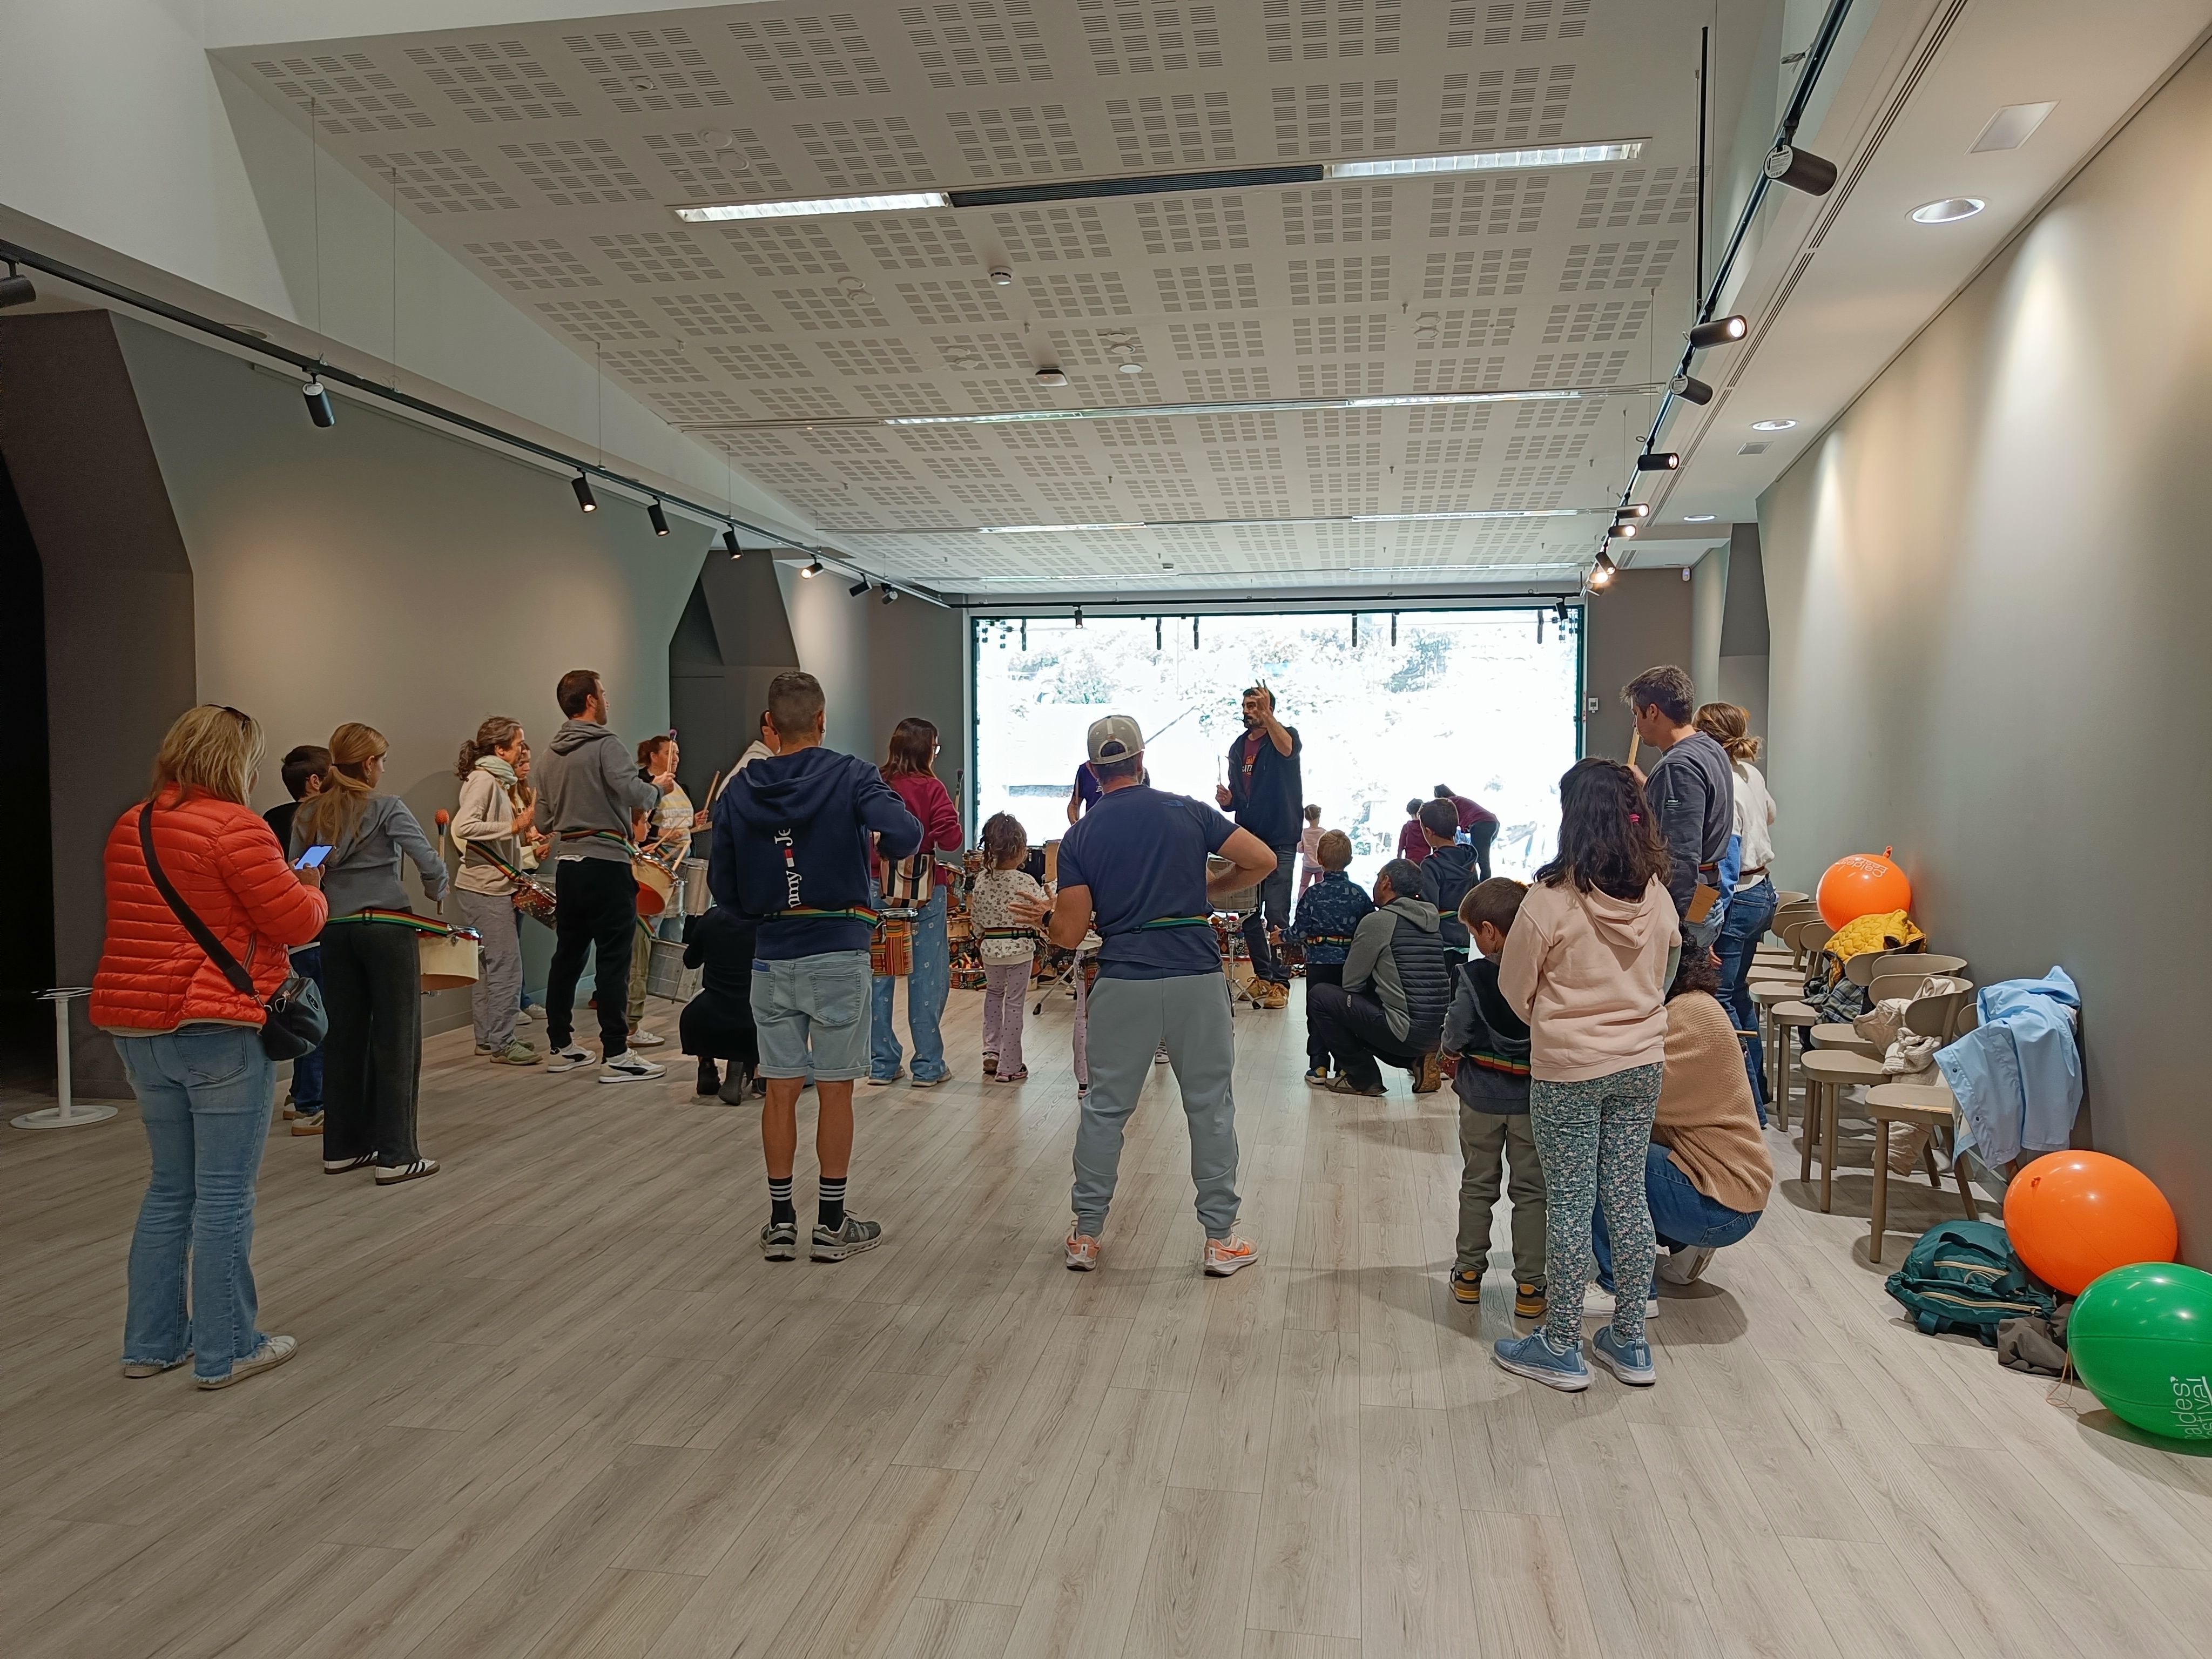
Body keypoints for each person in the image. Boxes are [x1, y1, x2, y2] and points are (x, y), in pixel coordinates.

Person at [94, 705, 328, 1389]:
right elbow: (293, 923)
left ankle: (151, 1343)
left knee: (170, 1188)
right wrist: (311, 886)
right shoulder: (238, 827)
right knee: (226, 1194)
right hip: (217, 1026)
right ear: (236, 761)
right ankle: (231, 1349)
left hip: (138, 1026)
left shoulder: (130, 823)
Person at [1017, 714, 1273, 1276]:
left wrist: (1043, 916)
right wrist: (1207, 886)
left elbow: (1068, 933)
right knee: (1208, 1108)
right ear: (1141, 761)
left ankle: (1085, 1236)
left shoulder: (1081, 835)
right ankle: (1220, 1240)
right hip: (1195, 977)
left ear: (1092, 771)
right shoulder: (1187, 811)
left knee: (1105, 1110)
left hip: (1123, 978)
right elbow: (1262, 860)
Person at [714, 670, 922, 1262]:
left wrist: (760, 913)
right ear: (822, 720)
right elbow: (906, 832)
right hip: (837, 948)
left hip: (773, 953)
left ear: (770, 725)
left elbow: (725, 886)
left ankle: (781, 1221)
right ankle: (832, 1224)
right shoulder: (851, 775)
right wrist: (880, 847)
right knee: (835, 1091)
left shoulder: (739, 789)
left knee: (779, 1091)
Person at [1492, 758, 1678, 1393]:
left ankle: (1561, 1344)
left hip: (1569, 1069)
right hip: (1641, 1063)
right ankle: (1629, 1339)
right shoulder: (1656, 894)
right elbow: (1670, 966)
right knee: (1626, 1198)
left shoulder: (1550, 900)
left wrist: (1555, 1021)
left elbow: (1513, 989)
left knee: (1569, 1202)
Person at [291, 723, 449, 1185]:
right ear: (367, 764)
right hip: (387, 928)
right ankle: (398, 1154)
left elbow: (299, 873)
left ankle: (342, 1147)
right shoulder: (386, 807)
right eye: (381, 759)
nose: (383, 767)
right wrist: (435, 889)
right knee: (397, 1040)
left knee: (344, 1037)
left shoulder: (311, 814)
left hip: (335, 932)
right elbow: (429, 861)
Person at [1593, 949, 1773, 1293]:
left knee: (1607, 1157)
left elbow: (1636, 1093)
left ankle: (1623, 1289)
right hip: (1725, 1184)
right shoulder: (1690, 1004)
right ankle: (1680, 1243)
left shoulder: (1688, 1014)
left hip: (1723, 1201)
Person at [537, 669, 671, 1082]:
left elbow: (543, 819)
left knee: (568, 956)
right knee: (615, 957)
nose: (608, 701)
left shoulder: (547, 756)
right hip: (606, 863)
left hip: (568, 866)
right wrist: (659, 788)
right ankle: (616, 1052)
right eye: (604, 693)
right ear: (591, 701)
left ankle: (561, 1045)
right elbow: (637, 794)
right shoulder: (606, 746)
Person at [1441, 879, 1545, 1319]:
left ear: (1490, 931)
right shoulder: (1545, 973)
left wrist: (1449, 1052)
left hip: (1481, 1096)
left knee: (1478, 1185)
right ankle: (1531, 1287)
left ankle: (1468, 1275)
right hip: (1530, 1101)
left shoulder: (1475, 975)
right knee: (1531, 1192)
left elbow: (1457, 1028)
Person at [869, 716, 962, 1088]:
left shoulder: (876, 782)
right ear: (927, 749)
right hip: (923, 889)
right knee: (927, 977)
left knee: (880, 975)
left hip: (876, 885)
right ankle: (927, 1065)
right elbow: (952, 839)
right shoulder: (933, 787)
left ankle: (881, 1063)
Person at [1696, 702, 1779, 1112]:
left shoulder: (1719, 781)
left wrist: (1703, 928)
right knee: (1739, 993)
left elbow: (1724, 869)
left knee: (1721, 998)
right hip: (1764, 889)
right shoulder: (1751, 773)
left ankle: (1749, 1107)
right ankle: (1759, 1089)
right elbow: (1771, 815)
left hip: (1739, 896)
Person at [1309, 858, 1449, 1098]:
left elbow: (1351, 983)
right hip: (1437, 1033)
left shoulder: (1379, 922)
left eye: (1377, 878)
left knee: (1321, 996)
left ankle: (1362, 1078)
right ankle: (1418, 1060)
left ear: (1386, 882)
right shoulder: (1432, 922)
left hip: (1404, 1031)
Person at [1624, 665, 1732, 956]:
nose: (1636, 724)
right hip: (1708, 890)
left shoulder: (1678, 766)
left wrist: (1675, 926)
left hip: (1686, 900)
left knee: (1675, 997)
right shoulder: (1710, 748)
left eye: (1637, 713)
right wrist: (1647, 785)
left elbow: (1681, 854)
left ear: (1653, 712)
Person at [450, 717, 538, 1067]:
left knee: (488, 966)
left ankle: (488, 1039)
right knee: (505, 965)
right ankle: (502, 1041)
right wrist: (513, 825)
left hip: (484, 885)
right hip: (486, 888)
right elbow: (465, 826)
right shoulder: (485, 780)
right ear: (500, 749)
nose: (521, 751)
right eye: (518, 744)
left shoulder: (491, 780)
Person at [1216, 682, 1301, 1010]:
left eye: (1256, 705)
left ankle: (1281, 982)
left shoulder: (1285, 735)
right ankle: (1264, 976)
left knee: (1277, 911)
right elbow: (1240, 794)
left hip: (1280, 837)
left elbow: (1288, 750)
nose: (1249, 711)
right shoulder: (1238, 747)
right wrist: (1228, 801)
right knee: (1249, 912)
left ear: (1269, 707)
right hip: (1249, 839)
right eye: (1247, 706)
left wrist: (1270, 718)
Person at [265, 744, 331, 1134]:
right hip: (317, 928)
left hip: (287, 936)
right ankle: (311, 1105)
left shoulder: (270, 819)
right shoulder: (323, 819)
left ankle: (298, 1094)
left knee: (302, 1013)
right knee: (320, 1020)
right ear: (315, 781)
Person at [623, 732, 698, 1054]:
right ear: (653, 755)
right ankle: (629, 1024)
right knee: (639, 950)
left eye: (679, 752)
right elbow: (640, 824)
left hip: (660, 868)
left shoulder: (673, 785)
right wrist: (655, 835)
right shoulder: (643, 786)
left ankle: (632, 1018)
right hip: (646, 872)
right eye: (671, 751)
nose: (676, 757)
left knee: (659, 937)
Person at [1287, 828, 1373, 1086]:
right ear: (1349, 859)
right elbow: (1369, 928)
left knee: (1317, 1012)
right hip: (1352, 965)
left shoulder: (1312, 895)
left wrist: (1282, 937)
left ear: (1320, 860)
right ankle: (1347, 1067)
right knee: (1349, 1012)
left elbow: (1300, 931)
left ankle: (1319, 1066)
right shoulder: (1359, 894)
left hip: (1319, 963)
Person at [969, 812, 1047, 1083]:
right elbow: (1039, 916)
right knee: (1014, 1004)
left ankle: (991, 1051)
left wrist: (980, 938)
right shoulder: (1026, 882)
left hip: (990, 947)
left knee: (993, 996)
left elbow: (976, 916)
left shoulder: (982, 880)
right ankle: (1010, 1066)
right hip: (1020, 948)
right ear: (1022, 850)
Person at [682, 903, 760, 1103]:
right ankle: (752, 1071)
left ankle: (706, 1064)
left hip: (707, 1015)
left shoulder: (712, 917)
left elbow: (690, 961)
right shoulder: (767, 921)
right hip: (751, 1017)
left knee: (695, 1004)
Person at [1415, 798, 1480, 962]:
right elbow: (1476, 898)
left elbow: (1429, 909)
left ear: (1428, 831)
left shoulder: (1431, 865)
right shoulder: (1470, 860)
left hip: (1439, 941)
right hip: (1463, 938)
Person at [1436, 783, 1501, 883]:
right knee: (1479, 856)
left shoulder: (1450, 802)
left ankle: (1483, 887)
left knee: (1482, 859)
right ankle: (1480, 884)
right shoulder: (1457, 800)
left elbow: (1451, 821)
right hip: (1492, 823)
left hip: (1481, 824)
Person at [1295, 804, 1326, 896]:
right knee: (1319, 886)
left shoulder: (1304, 833)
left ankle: (1301, 903)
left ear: (1307, 818)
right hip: (1320, 865)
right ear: (1319, 816)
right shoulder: (1324, 833)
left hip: (1307, 865)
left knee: (1304, 886)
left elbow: (1300, 849)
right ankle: (1317, 904)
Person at [1396, 799, 1431, 864]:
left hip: (1411, 862)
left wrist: (1399, 861)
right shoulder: (1427, 826)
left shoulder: (1407, 827)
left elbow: (1400, 847)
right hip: (1426, 861)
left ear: (1410, 813)